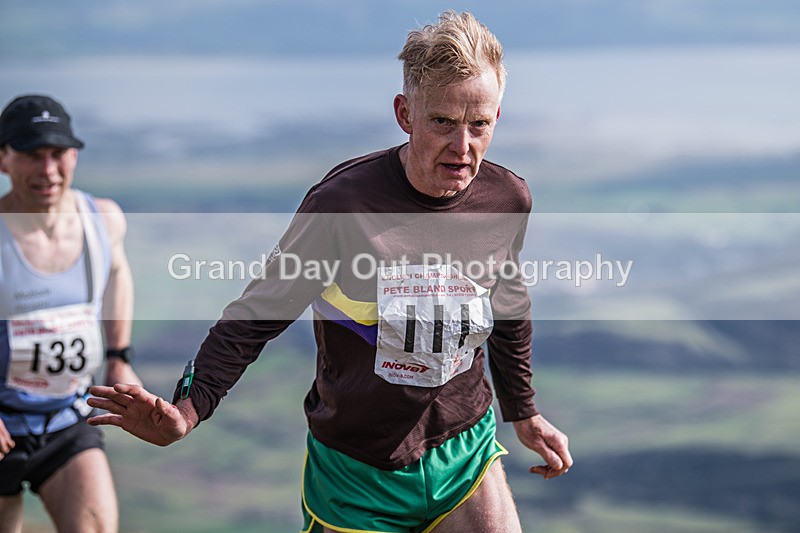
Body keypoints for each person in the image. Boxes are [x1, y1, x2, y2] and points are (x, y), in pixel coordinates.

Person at [88, 11, 572, 532]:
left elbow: (508, 303)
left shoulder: (507, 199)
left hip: (464, 451)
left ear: (497, 117)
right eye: (442, 122)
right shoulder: (342, 205)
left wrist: (523, 410)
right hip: (355, 472)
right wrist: (189, 408)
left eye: (479, 125)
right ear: (404, 113)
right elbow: (257, 314)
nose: (463, 147)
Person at [0, 94, 141, 533]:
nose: (47, 171)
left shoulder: (104, 220)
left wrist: (119, 356)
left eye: (57, 154)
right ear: (3, 159)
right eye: (30, 155)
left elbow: (117, 275)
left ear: (74, 155)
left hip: (65, 419)